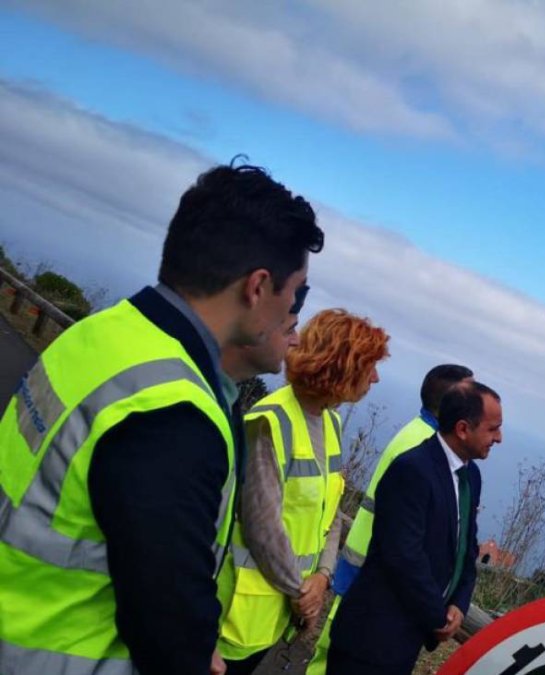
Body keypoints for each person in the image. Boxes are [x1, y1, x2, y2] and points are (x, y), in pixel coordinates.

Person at [0, 161, 323, 675]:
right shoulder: (172, 413)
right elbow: (167, 622)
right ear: (258, 288)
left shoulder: (103, 335)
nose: (296, 322)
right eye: (297, 296)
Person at [217, 309, 389, 674]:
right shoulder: (270, 421)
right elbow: (261, 527)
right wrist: (302, 594)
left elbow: (330, 513)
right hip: (235, 618)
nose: (375, 377)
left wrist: (322, 577)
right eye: (369, 365)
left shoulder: (331, 423)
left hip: (276, 613)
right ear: (343, 365)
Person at [308, 364, 474, 675]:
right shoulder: (424, 447)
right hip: (371, 583)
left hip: (364, 572)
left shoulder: (418, 433)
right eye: (471, 393)